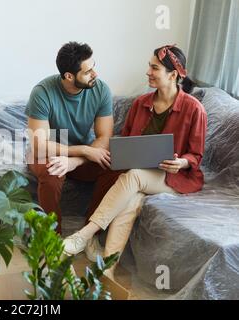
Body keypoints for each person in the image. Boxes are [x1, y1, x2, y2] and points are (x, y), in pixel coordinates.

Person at [63, 44, 207, 279]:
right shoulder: (141, 103)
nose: (148, 72)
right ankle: (106, 272)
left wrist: (182, 163)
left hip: (173, 177)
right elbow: (128, 141)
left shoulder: (194, 109)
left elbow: (196, 155)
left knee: (132, 177)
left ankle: (85, 234)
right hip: (142, 174)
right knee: (128, 206)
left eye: (154, 68)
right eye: (149, 67)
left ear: (173, 74)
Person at [26, 41, 114, 237]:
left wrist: (75, 161)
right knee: (52, 173)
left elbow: (104, 136)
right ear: (68, 76)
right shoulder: (42, 92)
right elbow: (39, 144)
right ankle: (52, 241)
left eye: (94, 67)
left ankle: (90, 235)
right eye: (88, 71)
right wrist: (83, 151)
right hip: (47, 150)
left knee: (116, 165)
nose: (95, 74)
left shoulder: (101, 90)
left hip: (80, 152)